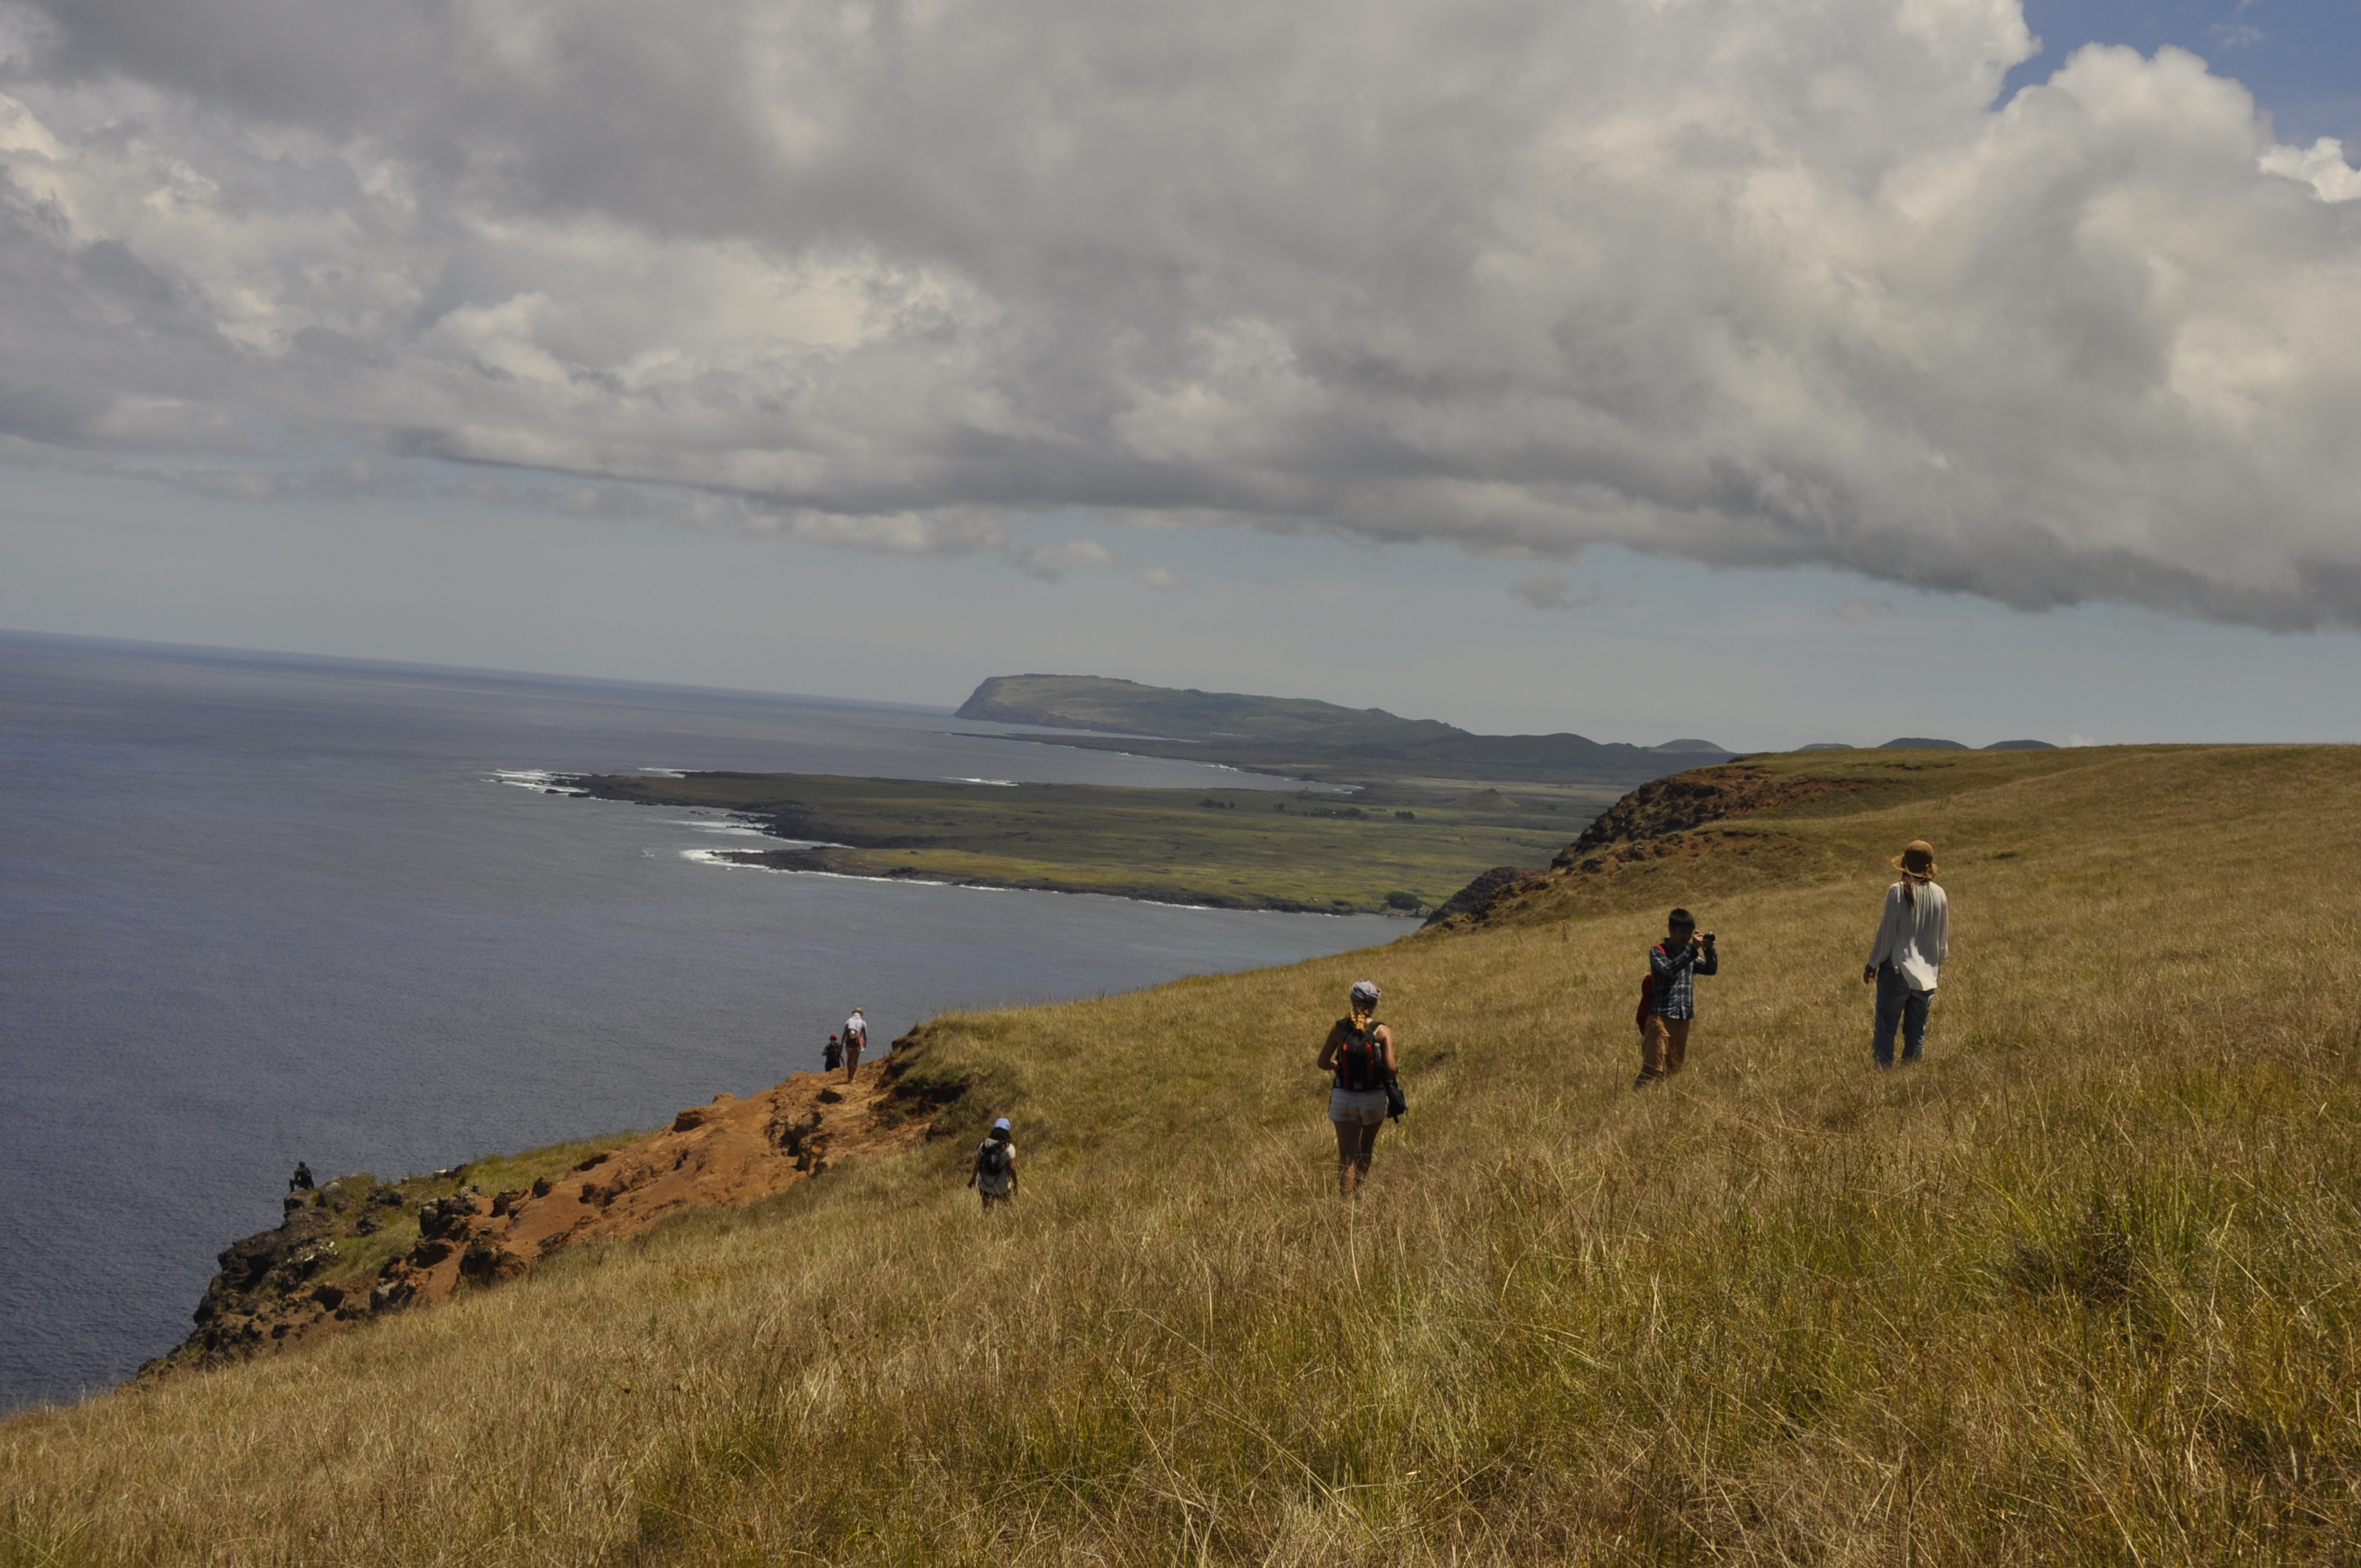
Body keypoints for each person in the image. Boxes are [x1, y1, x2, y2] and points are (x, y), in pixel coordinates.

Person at [1864, 840, 1949, 1068]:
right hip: (1927, 976)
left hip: (1898, 970)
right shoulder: (1940, 894)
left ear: (1904, 866)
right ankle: (1910, 1078)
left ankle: (1883, 1076)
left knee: (1885, 1028)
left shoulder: (1897, 891)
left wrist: (1873, 963)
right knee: (1916, 1032)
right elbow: (1943, 942)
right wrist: (1937, 968)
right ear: (1929, 868)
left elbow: (1887, 933)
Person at [1317, 979, 1397, 1197]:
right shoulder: (1382, 1031)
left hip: (1344, 1096)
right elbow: (1391, 1069)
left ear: (1352, 1001)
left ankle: (1346, 1202)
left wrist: (1337, 1066)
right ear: (1375, 1003)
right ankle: (1359, 1191)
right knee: (1366, 1147)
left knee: (1346, 1154)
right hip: (1374, 1097)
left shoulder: (1339, 1028)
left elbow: (1322, 1063)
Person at [1636, 908, 1717, 1089]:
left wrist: (1709, 949)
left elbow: (1711, 970)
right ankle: (1636, 1100)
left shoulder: (1690, 953)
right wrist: (1693, 951)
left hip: (1682, 1019)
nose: (1686, 937)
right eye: (1682, 932)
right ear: (1671, 930)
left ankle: (1661, 1104)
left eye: (1689, 932)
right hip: (1661, 1017)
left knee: (1673, 1071)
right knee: (1652, 1069)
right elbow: (1670, 969)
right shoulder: (1659, 951)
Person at [968, 1117, 1018, 1209]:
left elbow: (977, 1164)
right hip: (1002, 1186)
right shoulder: (1009, 1147)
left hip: (984, 1184)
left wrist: (973, 1179)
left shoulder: (984, 1144)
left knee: (987, 1210)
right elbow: (1012, 1167)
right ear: (1007, 1131)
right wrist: (1016, 1184)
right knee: (1007, 1210)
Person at [842, 1008, 867, 1082]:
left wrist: (841, 1044)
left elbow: (844, 1034)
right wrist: (865, 1042)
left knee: (849, 1059)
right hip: (857, 1044)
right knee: (855, 1061)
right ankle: (852, 1078)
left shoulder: (849, 1021)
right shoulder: (862, 1022)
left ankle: (849, 1075)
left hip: (849, 1043)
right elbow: (865, 1036)